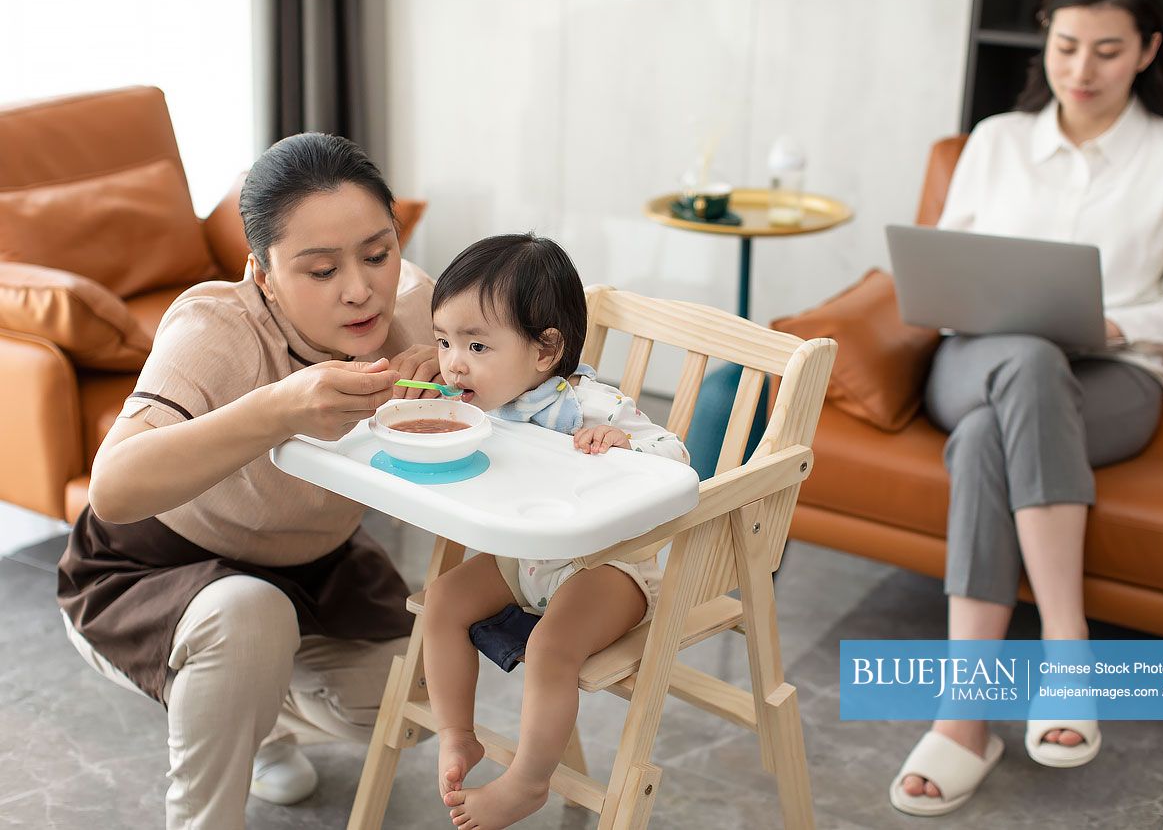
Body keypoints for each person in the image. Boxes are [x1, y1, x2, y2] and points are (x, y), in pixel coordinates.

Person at [890, 0, 1163, 816]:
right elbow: (943, 272)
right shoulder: (995, 141)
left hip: (1113, 377)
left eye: (1106, 51)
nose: (1081, 69)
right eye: (1067, 45)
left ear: (1147, 50)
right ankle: (1065, 656)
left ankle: (963, 719)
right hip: (976, 359)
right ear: (1045, 39)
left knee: (985, 440)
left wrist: (1109, 322)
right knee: (1028, 359)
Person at [56, 132, 446, 829]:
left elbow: (525, 370)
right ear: (262, 275)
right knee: (247, 618)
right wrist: (277, 410)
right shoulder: (215, 326)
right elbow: (112, 487)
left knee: (428, 695)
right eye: (320, 270)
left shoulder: (417, 306)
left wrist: (460, 371)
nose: (360, 289)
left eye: (377, 254)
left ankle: (247, 709)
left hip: (319, 565)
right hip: (155, 567)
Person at [418, 234, 689, 829]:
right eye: (444, 341)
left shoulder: (589, 404)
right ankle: (456, 734)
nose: (454, 362)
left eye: (476, 345)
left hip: (610, 569)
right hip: (527, 560)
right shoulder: (482, 402)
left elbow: (675, 456)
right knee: (442, 602)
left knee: (549, 648)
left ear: (545, 350)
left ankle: (528, 782)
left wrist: (622, 444)